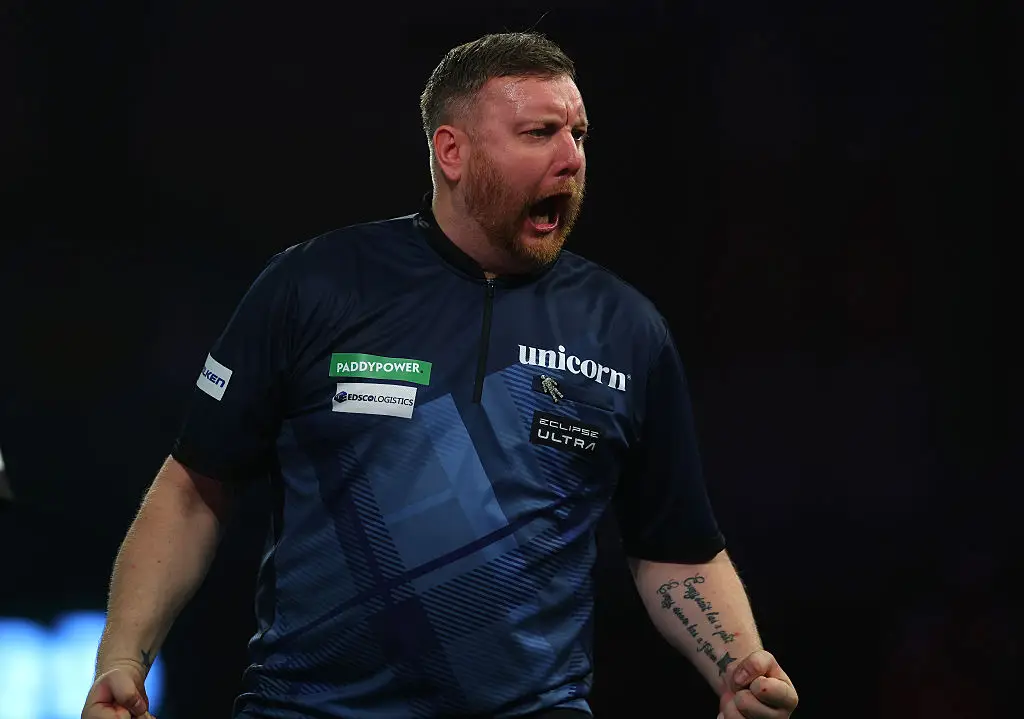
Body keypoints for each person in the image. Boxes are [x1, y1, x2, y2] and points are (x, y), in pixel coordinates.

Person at [83, 32, 798, 719]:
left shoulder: (626, 329)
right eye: (540, 132)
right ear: (450, 151)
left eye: (578, 135)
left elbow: (673, 546)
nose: (572, 158)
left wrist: (737, 662)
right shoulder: (316, 286)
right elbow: (192, 491)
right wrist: (121, 659)